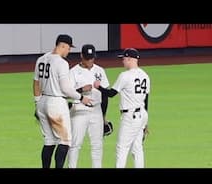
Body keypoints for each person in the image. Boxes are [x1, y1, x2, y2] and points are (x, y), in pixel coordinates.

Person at [33, 34, 92, 168]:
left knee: (49, 140)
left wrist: (37, 103)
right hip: (56, 104)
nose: (69, 51)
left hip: (42, 101)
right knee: (65, 141)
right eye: (69, 48)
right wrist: (81, 98)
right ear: (63, 45)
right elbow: (65, 89)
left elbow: (36, 83)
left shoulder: (41, 59)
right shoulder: (61, 62)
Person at [94, 48, 150, 168]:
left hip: (130, 117)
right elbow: (146, 99)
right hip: (142, 114)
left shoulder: (125, 75)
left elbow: (111, 94)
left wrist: (99, 87)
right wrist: (145, 123)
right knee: (137, 149)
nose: (122, 61)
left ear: (130, 59)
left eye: (124, 59)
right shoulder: (145, 75)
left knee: (122, 148)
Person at [67, 44, 110, 168]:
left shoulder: (100, 70)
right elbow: (68, 93)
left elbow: (105, 95)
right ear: (81, 56)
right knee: (75, 144)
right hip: (79, 110)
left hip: (96, 111)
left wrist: (103, 116)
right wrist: (81, 89)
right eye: (87, 58)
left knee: (97, 145)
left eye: (91, 58)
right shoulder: (73, 71)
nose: (90, 60)